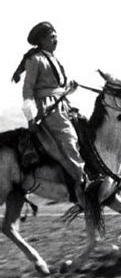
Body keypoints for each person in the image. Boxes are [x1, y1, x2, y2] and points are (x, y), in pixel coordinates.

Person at [12, 21, 86, 204]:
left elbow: (55, 87)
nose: (56, 40)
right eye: (52, 37)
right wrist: (31, 116)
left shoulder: (52, 58)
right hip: (47, 108)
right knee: (69, 139)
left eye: (56, 36)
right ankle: (83, 180)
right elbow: (28, 89)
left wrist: (70, 89)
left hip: (62, 104)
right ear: (42, 40)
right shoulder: (35, 59)